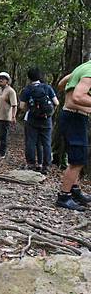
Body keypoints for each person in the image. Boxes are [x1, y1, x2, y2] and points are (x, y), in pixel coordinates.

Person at [55, 62, 91, 211]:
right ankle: (64, 197)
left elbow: (61, 84)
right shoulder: (89, 71)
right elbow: (77, 97)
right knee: (78, 160)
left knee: (76, 156)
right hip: (74, 117)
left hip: (71, 116)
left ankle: (74, 190)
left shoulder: (82, 68)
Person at [19, 68, 59, 174]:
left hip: (32, 119)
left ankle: (31, 164)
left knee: (31, 141)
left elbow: (21, 106)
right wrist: (49, 113)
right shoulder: (47, 87)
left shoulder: (27, 89)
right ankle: (46, 166)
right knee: (46, 143)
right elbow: (57, 102)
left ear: (29, 77)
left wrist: (31, 109)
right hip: (46, 120)